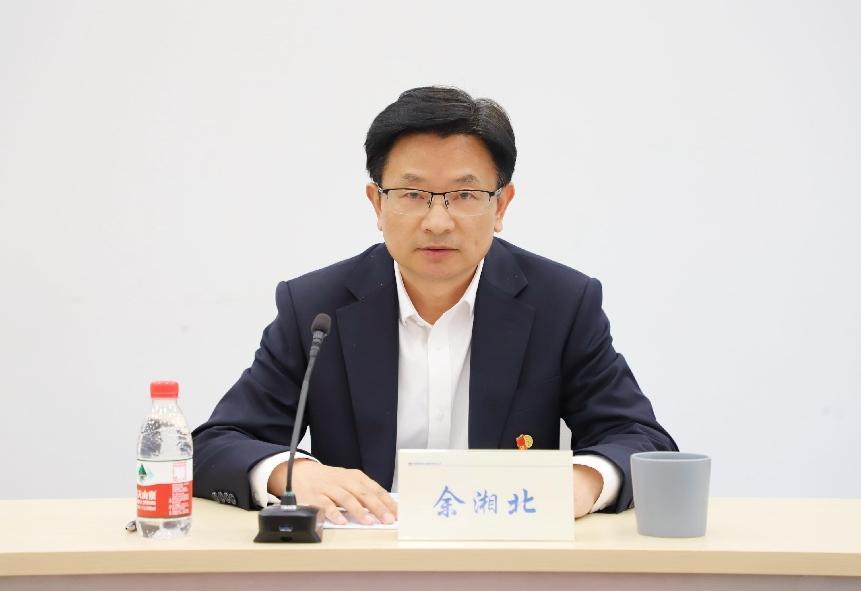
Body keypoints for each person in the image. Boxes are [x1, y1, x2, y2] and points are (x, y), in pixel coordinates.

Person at [192, 86, 677, 526]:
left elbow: (641, 439)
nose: (438, 221)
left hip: (505, 559)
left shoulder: (562, 303)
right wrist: (291, 474)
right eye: (413, 194)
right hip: (360, 563)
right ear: (377, 204)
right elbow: (216, 443)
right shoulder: (315, 308)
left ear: (501, 205)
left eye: (464, 194)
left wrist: (581, 483)